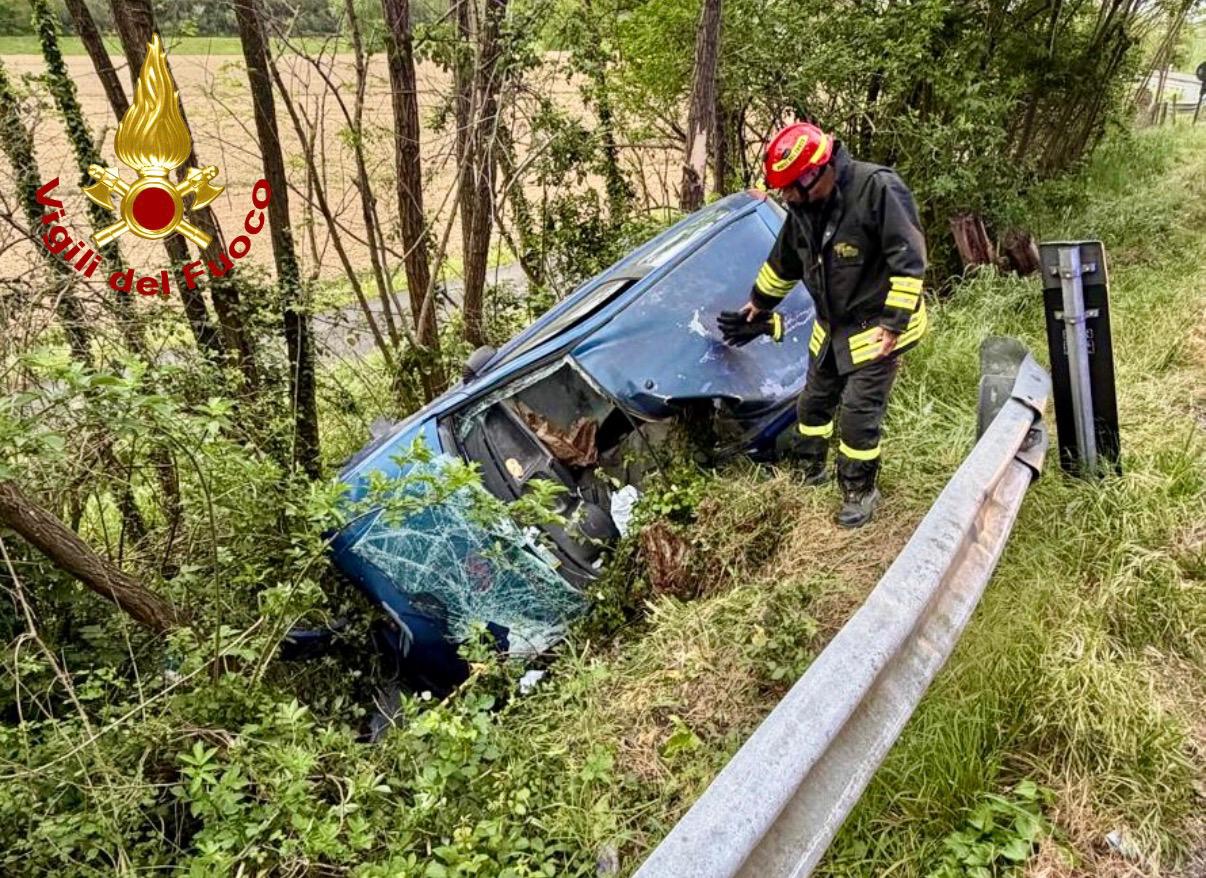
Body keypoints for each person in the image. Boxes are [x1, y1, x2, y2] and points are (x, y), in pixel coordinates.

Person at [718, 122, 928, 528]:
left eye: (795, 187)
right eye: (785, 190)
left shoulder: (877, 189)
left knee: (857, 416)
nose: (789, 197)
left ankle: (859, 491)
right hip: (831, 329)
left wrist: (894, 324)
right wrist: (757, 307)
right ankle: (807, 470)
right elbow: (783, 264)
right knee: (812, 406)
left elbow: (909, 258)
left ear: (820, 169)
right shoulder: (803, 208)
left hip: (876, 329)